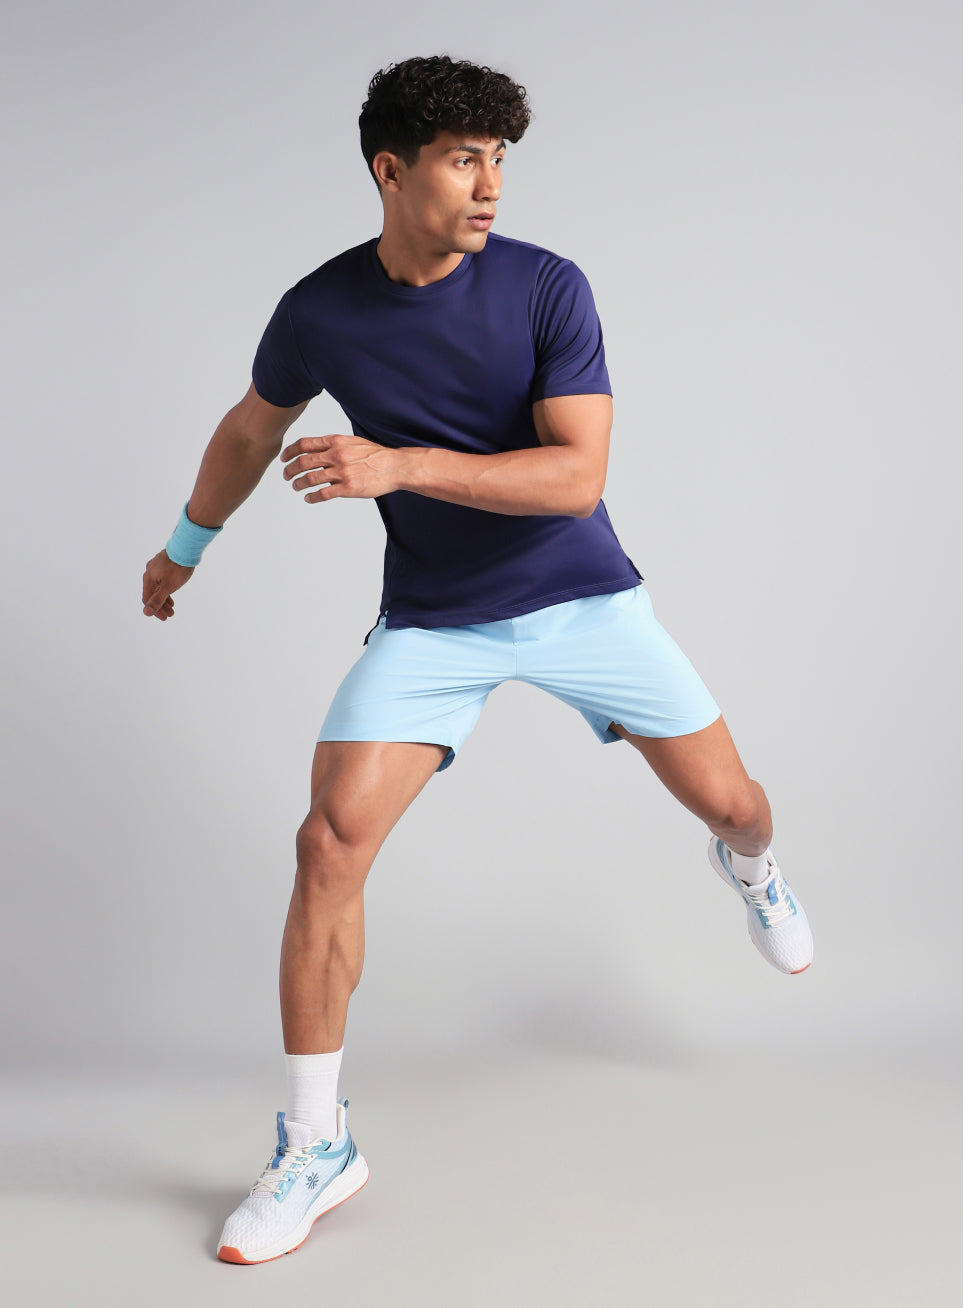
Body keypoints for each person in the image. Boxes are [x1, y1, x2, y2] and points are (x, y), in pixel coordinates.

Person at [142, 55, 812, 1265]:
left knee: (735, 801)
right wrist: (185, 547)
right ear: (390, 170)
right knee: (327, 842)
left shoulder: (549, 287)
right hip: (434, 621)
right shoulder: (321, 309)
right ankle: (316, 1145)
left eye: (500, 158)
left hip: (583, 602)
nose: (491, 183)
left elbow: (577, 478)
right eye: (464, 159)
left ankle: (752, 867)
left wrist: (397, 465)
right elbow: (251, 428)